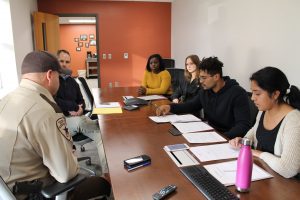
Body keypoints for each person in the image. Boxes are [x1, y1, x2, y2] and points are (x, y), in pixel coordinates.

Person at [0, 51, 110, 199]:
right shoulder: (45, 110)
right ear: (50, 75)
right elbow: (66, 173)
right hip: (33, 193)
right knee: (102, 184)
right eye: (59, 76)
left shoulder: (5, 100)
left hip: (7, 189)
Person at [229, 67, 300, 178]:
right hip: (264, 173)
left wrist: (257, 153)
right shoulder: (264, 110)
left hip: (287, 186)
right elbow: (255, 130)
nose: (252, 98)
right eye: (252, 93)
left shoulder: (294, 120)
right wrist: (243, 141)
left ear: (275, 94)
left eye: (257, 94)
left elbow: (288, 169)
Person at [156, 57, 251, 139]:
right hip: (210, 133)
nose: (200, 81)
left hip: (229, 139)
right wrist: (170, 107)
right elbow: (191, 105)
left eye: (204, 78)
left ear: (216, 77)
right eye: (200, 77)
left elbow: (243, 125)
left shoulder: (237, 93)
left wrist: (221, 137)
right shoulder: (205, 90)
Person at [55, 49, 108, 174]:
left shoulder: (72, 81)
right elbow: (55, 101)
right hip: (62, 120)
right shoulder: (53, 80)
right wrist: (74, 107)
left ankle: (107, 173)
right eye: (61, 61)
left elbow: (81, 101)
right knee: (86, 123)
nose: (64, 64)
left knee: (102, 133)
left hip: (78, 117)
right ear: (56, 62)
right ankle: (108, 173)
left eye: (67, 62)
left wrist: (80, 108)